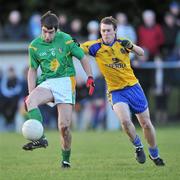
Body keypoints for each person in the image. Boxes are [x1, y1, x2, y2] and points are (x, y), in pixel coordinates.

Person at [81, 16, 165, 166]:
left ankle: (154, 154)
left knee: (146, 123)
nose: (105, 34)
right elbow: (76, 49)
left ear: (115, 31)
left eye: (108, 30)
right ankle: (138, 146)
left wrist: (132, 46)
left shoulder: (123, 43)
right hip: (115, 91)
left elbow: (141, 53)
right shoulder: (95, 47)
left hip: (133, 87)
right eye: (102, 31)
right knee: (125, 121)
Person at [22, 11, 95, 168]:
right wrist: (31, 92)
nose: (47, 35)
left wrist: (89, 77)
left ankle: (65, 160)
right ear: (41, 28)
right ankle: (40, 138)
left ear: (57, 30)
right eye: (44, 31)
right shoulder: (34, 46)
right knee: (31, 100)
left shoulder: (67, 40)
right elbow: (33, 70)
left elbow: (83, 57)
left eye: (50, 32)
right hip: (48, 81)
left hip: (66, 82)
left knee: (64, 127)